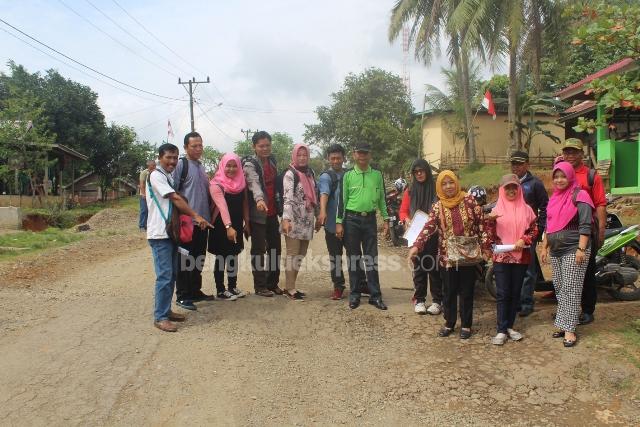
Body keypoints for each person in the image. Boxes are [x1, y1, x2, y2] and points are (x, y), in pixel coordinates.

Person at [408, 170, 491, 339]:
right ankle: (449, 322)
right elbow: (428, 228)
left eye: (451, 182)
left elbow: (482, 224)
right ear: (440, 186)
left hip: (468, 255)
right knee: (449, 291)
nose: (448, 186)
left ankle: (466, 325)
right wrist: (417, 245)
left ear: (456, 182)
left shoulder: (469, 201)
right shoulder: (438, 206)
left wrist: (486, 247)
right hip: (447, 256)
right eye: (444, 184)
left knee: (467, 290)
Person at [146, 143, 212, 332]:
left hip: (170, 233)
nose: (172, 161)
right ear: (160, 158)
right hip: (159, 234)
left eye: (175, 158)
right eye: (168, 157)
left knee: (173, 273)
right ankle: (160, 317)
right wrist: (195, 215)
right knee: (165, 276)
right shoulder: (156, 175)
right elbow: (175, 198)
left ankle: (166, 311)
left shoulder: (167, 176)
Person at [541, 161, 594, 347]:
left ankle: (570, 330)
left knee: (571, 288)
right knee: (560, 287)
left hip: (574, 248)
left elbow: (585, 224)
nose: (559, 179)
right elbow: (549, 224)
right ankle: (564, 324)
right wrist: (545, 246)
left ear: (570, 176)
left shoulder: (581, 195)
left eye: (563, 176)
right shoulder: (554, 198)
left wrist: (581, 248)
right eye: (556, 176)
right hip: (556, 250)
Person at [336, 142, 390, 311]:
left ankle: (376, 296)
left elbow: (382, 199)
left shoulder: (377, 175)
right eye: (359, 153)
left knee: (371, 258)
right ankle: (355, 295)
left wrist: (387, 219)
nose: (362, 156)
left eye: (365, 153)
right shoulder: (348, 175)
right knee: (354, 258)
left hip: (370, 220)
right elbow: (342, 201)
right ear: (354, 155)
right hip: (352, 219)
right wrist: (339, 222)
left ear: (370, 155)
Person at [486, 174, 538, 345]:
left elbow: (534, 230)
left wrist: (524, 239)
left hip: (521, 256)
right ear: (502, 190)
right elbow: (489, 237)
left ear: (519, 189)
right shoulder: (495, 210)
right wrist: (491, 223)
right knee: (503, 293)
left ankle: (509, 326)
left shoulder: (527, 209)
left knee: (516, 292)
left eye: (514, 187)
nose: (511, 191)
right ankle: (501, 330)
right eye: (507, 188)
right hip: (502, 257)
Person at [560, 138, 606, 325]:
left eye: (574, 152)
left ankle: (587, 310)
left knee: (586, 272)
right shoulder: (561, 174)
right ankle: (567, 310)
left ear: (581, 154)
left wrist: (601, 230)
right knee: (565, 273)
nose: (570, 155)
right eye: (567, 152)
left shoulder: (591, 176)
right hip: (565, 232)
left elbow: (601, 204)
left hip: (585, 231)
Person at [317, 144, 367, 300]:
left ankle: (361, 284)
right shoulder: (326, 176)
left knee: (355, 255)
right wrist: (323, 211)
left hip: (350, 224)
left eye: (339, 158)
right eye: (333, 158)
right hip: (332, 225)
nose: (336, 161)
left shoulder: (350, 174)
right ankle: (338, 286)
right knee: (335, 257)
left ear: (344, 158)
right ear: (328, 159)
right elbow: (324, 193)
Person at [172, 132, 214, 310]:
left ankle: (195, 291)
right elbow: (172, 192)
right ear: (185, 147)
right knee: (184, 261)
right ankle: (182, 295)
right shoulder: (181, 165)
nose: (198, 149)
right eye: (194, 146)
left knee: (198, 259)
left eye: (200, 145)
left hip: (202, 223)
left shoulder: (201, 167)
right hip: (187, 223)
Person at [398, 159, 443, 316]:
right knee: (419, 268)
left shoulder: (437, 190)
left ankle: (437, 301)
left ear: (427, 171)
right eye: (416, 171)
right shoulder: (409, 192)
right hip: (416, 235)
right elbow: (403, 211)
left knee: (434, 268)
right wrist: (407, 220)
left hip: (433, 234)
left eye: (421, 171)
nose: (419, 174)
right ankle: (420, 300)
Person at [243, 131, 284, 297]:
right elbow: (253, 182)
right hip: (258, 213)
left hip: (273, 212)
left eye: (267, 145)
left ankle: (272, 283)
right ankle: (260, 286)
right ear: (254, 147)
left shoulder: (272, 161)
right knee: (259, 250)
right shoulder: (250, 164)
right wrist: (259, 200)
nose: (265, 148)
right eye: (261, 146)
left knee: (275, 249)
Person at [509, 151, 548, 317]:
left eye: (519, 163)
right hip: (511, 234)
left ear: (527, 164)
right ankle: (515, 302)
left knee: (528, 270)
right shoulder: (509, 183)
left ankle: (526, 303)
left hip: (528, 234)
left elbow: (545, 207)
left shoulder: (535, 184)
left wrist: (539, 228)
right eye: (514, 164)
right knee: (513, 269)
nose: (516, 167)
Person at [208, 153, 250, 301]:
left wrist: (247, 223)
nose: (231, 169)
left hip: (236, 224)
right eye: (228, 166)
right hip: (221, 225)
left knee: (233, 255)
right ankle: (220, 290)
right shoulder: (215, 184)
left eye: (234, 166)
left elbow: (244, 203)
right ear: (222, 166)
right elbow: (222, 206)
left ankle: (232, 286)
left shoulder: (242, 183)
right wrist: (228, 227)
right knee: (221, 257)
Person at [280, 144, 318, 301]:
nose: (302, 157)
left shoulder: (310, 173)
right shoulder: (290, 174)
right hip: (293, 221)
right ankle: (290, 289)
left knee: (300, 256)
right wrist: (286, 219)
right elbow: (287, 198)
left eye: (305, 155)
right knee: (292, 255)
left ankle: (291, 286)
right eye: (299, 155)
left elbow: (313, 196)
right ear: (294, 156)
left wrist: (317, 217)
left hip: (307, 221)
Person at [138, 160, 156, 230]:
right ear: (149, 165)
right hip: (144, 194)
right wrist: (143, 194)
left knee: (151, 210)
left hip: (152, 195)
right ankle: (142, 226)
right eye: (153, 165)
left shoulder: (156, 172)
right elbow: (142, 184)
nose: (154, 166)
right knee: (144, 210)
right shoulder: (144, 173)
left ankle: (148, 225)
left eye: (155, 165)